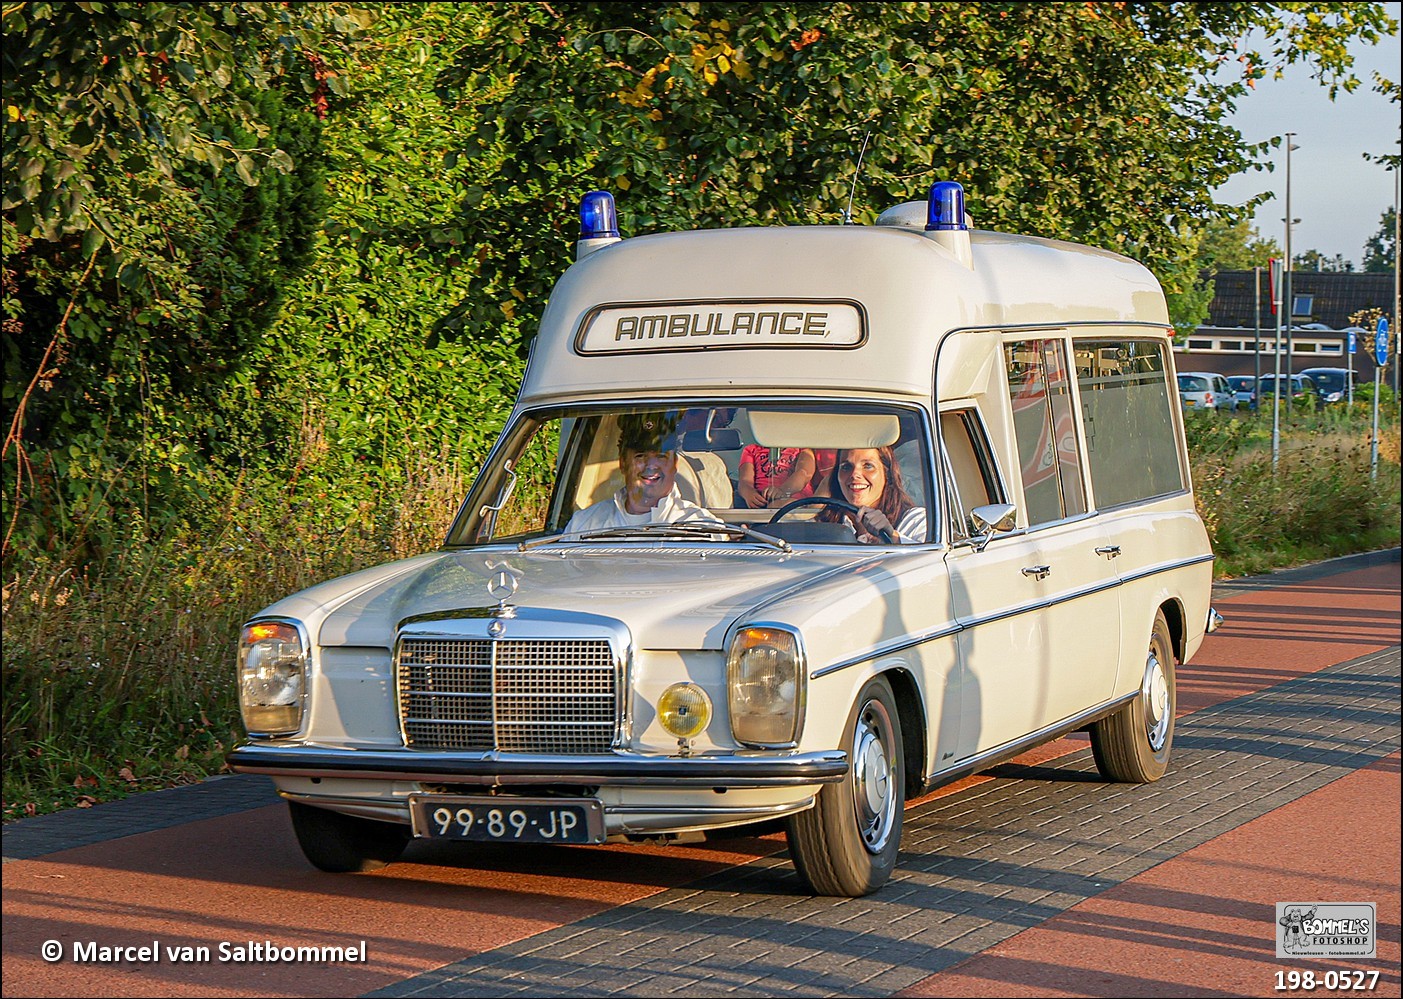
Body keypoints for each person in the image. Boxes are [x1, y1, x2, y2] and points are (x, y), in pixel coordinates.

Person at [565, 423, 719, 533]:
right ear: (623, 463)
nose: (651, 465)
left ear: (675, 465)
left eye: (661, 456)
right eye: (640, 456)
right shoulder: (583, 524)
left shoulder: (702, 528)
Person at [816, 446, 927, 544]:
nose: (855, 474)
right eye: (846, 467)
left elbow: (932, 561)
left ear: (887, 474)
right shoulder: (822, 526)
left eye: (868, 466)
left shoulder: (916, 521)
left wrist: (893, 538)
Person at [736, 444, 816, 509]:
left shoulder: (803, 449)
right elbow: (744, 480)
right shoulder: (751, 450)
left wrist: (784, 490)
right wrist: (748, 493)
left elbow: (804, 473)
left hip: (796, 501)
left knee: (780, 505)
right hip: (763, 504)